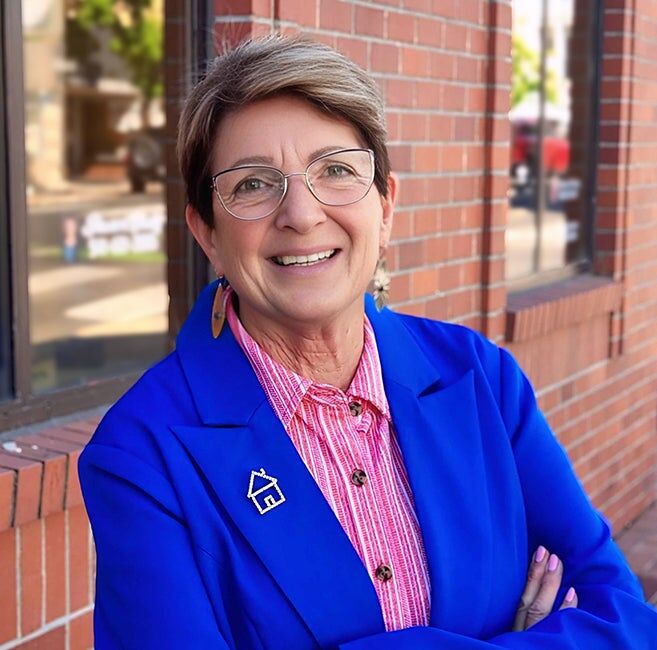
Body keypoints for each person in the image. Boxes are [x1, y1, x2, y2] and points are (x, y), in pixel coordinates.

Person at [79, 35, 657, 649]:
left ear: (384, 208)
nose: (301, 214)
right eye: (252, 184)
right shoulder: (140, 454)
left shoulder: (481, 377)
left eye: (336, 170)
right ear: (208, 234)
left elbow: (622, 616)